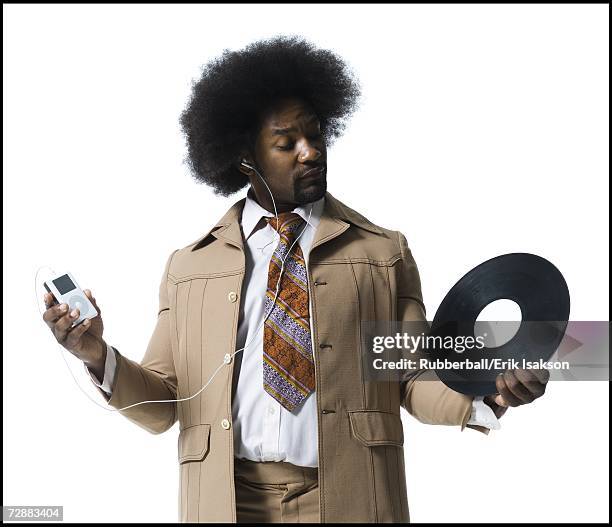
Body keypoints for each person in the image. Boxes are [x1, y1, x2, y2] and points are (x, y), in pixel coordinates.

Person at [42, 36, 550, 523]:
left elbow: (412, 380)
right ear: (246, 160)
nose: (310, 152)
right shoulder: (189, 267)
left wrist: (488, 396)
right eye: (287, 143)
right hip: (228, 502)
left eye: (315, 135)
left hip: (352, 497)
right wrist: (96, 354)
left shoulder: (381, 254)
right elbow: (162, 405)